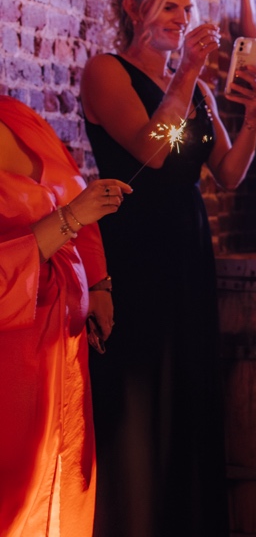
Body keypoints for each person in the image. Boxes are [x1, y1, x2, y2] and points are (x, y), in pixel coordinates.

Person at [80, 0, 256, 537]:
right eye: (169, 6)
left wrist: (254, 115)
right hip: (134, 247)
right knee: (139, 395)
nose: (181, 18)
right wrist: (184, 74)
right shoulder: (105, 72)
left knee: (187, 390)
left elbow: (230, 173)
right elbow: (152, 149)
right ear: (135, 7)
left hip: (188, 248)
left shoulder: (201, 91)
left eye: (186, 8)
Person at [1, 98, 126, 537]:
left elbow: (74, 195)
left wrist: (98, 283)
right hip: (11, 357)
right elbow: (72, 213)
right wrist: (70, 219)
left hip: (62, 348)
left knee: (67, 478)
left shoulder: (20, 117)